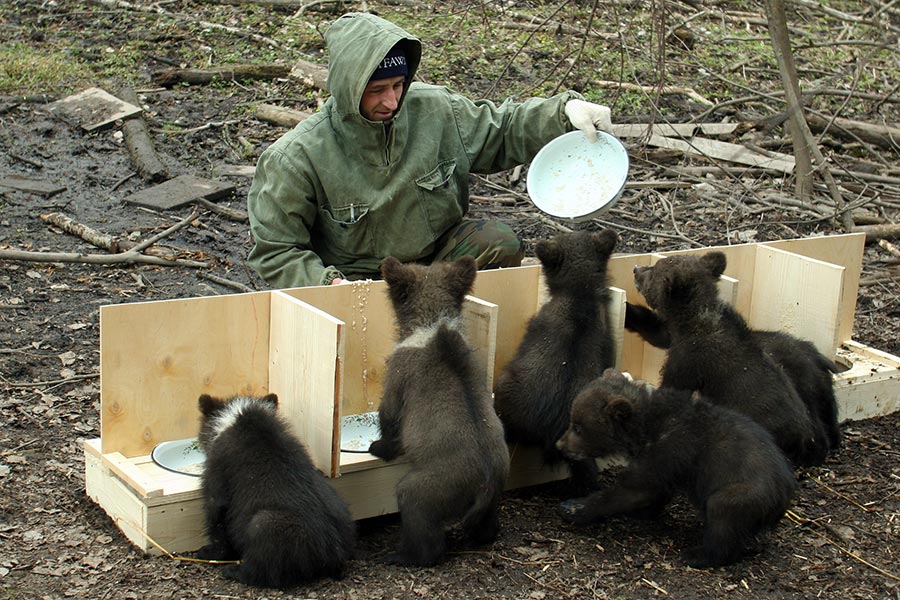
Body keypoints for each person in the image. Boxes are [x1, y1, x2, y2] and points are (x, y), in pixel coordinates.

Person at [247, 12, 614, 288]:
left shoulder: (435, 110)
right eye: (377, 91)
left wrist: (564, 112)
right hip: (357, 280)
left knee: (499, 242)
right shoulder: (296, 158)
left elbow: (502, 129)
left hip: (436, 261)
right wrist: (330, 286)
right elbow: (278, 251)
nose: (392, 101)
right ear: (348, 88)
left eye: (398, 85)